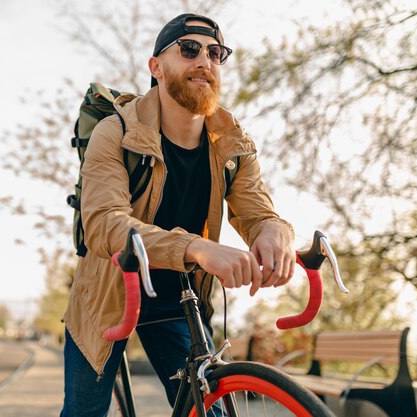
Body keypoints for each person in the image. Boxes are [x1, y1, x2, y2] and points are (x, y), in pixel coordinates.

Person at [60, 13, 295, 416]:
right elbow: (103, 222)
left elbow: (257, 210)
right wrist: (198, 248)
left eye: (216, 53)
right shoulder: (115, 131)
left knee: (211, 410)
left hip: (180, 299)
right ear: (156, 67)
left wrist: (275, 231)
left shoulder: (232, 142)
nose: (204, 60)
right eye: (189, 50)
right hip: (109, 295)